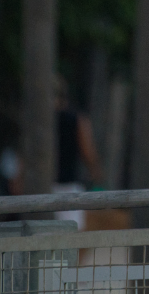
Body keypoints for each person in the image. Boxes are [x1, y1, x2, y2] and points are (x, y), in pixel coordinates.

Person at [52, 79, 102, 229]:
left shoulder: (38, 120)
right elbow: (87, 151)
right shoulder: (76, 119)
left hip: (41, 187)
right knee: (71, 231)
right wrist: (96, 173)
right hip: (67, 185)